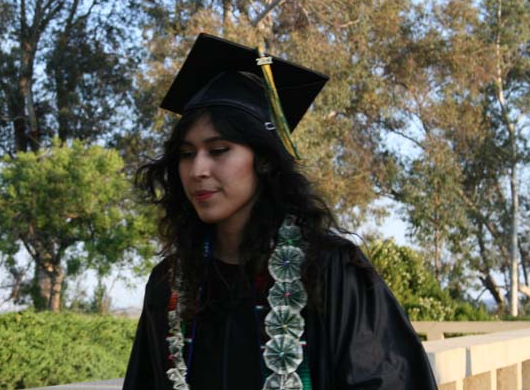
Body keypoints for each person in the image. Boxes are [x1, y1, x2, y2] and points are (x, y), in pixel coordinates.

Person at [122, 33, 437, 390]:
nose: (198, 170)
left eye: (219, 150)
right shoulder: (170, 285)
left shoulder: (330, 272)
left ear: (266, 160)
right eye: (187, 153)